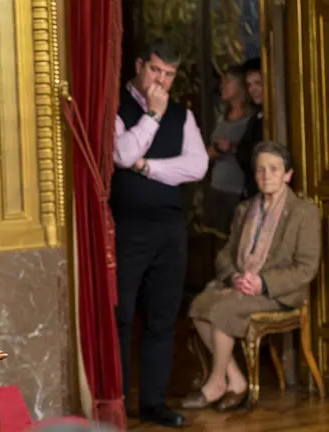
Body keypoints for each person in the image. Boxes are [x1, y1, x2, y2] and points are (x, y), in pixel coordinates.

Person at [111, 40, 208, 428]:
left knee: (162, 319)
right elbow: (120, 154)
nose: (161, 81)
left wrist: (147, 167)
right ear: (139, 65)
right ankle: (115, 404)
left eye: (169, 74)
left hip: (170, 229)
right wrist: (151, 115)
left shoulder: (182, 115)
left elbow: (197, 166)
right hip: (127, 228)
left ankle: (154, 403)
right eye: (155, 71)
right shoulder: (116, 105)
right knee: (122, 317)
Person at [182, 141, 320, 411]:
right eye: (260, 170)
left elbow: (306, 267)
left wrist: (262, 283)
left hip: (278, 293)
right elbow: (225, 255)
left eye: (274, 169)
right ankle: (235, 380)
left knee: (222, 310)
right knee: (198, 306)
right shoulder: (245, 209)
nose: (266, 176)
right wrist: (234, 276)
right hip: (241, 285)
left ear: (288, 174)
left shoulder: (304, 212)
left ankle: (215, 383)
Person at [203, 65, 253, 235]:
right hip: (217, 188)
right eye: (222, 81)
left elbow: (254, 151)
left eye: (228, 81)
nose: (222, 85)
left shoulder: (253, 119)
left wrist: (233, 148)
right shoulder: (221, 117)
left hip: (237, 192)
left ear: (241, 86)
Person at [235, 58, 263, 199]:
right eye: (249, 85)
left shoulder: (275, 116)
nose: (253, 89)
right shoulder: (256, 116)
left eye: (257, 83)